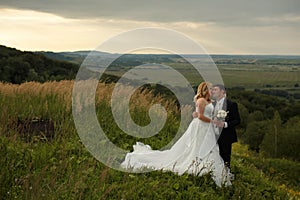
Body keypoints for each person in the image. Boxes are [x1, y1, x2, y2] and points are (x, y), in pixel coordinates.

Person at [121, 82, 231, 187]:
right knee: (196, 145)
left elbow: (205, 113)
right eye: (210, 89)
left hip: (208, 128)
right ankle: (196, 161)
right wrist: (212, 121)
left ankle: (207, 163)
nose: (212, 91)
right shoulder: (201, 100)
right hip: (201, 126)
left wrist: (216, 118)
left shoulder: (210, 101)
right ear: (205, 90)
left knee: (209, 146)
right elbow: (201, 116)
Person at [211, 84, 241, 174]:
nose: (213, 91)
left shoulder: (231, 104)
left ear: (222, 92)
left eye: (215, 90)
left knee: (225, 157)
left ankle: (226, 175)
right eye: (212, 90)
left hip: (226, 135)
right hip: (213, 134)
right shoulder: (212, 104)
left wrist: (225, 124)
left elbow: (237, 120)